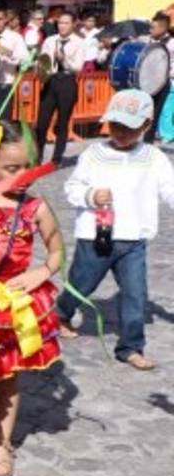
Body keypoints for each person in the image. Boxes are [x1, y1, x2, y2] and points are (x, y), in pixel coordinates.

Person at [58, 89, 174, 370]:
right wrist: (90, 195)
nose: (121, 132)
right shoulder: (94, 154)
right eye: (116, 125)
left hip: (133, 240)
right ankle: (61, 314)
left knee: (135, 293)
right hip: (95, 236)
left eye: (129, 127)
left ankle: (130, 347)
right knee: (81, 284)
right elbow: (72, 187)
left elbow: (170, 189)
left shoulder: (154, 158)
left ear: (146, 125)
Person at [0, 129, 63, 476]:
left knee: (7, 375)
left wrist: (41, 272)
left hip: (12, 304)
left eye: (29, 166)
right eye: (11, 168)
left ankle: (2, 443)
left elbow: (57, 250)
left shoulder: (36, 207)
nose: (22, 175)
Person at [35, 12, 86, 166]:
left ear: (73, 24)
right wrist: (39, 68)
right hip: (51, 80)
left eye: (66, 23)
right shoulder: (50, 40)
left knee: (62, 122)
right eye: (60, 23)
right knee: (42, 122)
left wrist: (64, 59)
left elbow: (78, 67)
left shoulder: (79, 42)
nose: (62, 26)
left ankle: (56, 159)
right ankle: (37, 157)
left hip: (67, 80)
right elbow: (43, 60)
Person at [143, 12, 174, 144]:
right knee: (147, 110)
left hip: (165, 81)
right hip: (150, 81)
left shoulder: (172, 43)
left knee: (159, 112)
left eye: (153, 28)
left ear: (162, 28)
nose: (150, 30)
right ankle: (146, 137)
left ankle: (150, 140)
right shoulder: (149, 41)